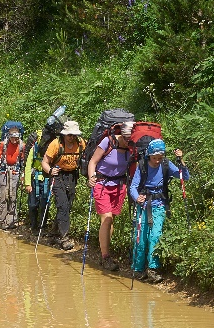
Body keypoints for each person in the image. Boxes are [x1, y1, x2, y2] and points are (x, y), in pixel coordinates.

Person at [128, 139, 188, 281]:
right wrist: (137, 198)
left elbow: (184, 176)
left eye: (159, 158)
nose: (157, 161)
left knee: (155, 236)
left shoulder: (166, 164)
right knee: (141, 238)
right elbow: (133, 187)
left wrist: (181, 161)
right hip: (143, 206)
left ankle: (152, 269)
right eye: (154, 158)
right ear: (149, 155)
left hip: (159, 205)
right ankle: (138, 269)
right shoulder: (142, 165)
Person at [86, 120, 134, 271]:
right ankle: (105, 257)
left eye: (131, 139)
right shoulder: (108, 141)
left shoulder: (132, 148)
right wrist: (91, 177)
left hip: (119, 186)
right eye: (127, 139)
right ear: (122, 135)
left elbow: (134, 169)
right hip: (102, 184)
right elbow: (92, 162)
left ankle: (106, 252)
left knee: (111, 220)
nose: (129, 142)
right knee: (106, 219)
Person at [40, 120, 87, 249]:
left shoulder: (81, 143)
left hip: (72, 176)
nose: (72, 137)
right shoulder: (56, 144)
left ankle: (54, 233)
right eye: (69, 135)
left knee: (68, 206)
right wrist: (50, 170)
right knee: (63, 205)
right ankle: (63, 237)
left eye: (74, 135)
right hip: (57, 176)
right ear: (64, 134)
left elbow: (87, 158)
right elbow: (44, 162)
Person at [0, 123, 24, 229]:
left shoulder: (22, 145)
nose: (15, 140)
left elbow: (22, 161)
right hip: (3, 172)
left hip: (15, 172)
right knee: (3, 196)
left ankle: (11, 220)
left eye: (16, 138)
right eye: (13, 138)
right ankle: (2, 220)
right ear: (9, 136)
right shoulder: (3, 144)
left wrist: (23, 175)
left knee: (13, 196)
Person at [23, 128, 51, 234]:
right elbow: (28, 166)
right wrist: (27, 183)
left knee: (45, 204)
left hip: (46, 180)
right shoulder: (34, 149)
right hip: (34, 180)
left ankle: (42, 226)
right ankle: (33, 225)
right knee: (33, 204)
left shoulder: (51, 149)